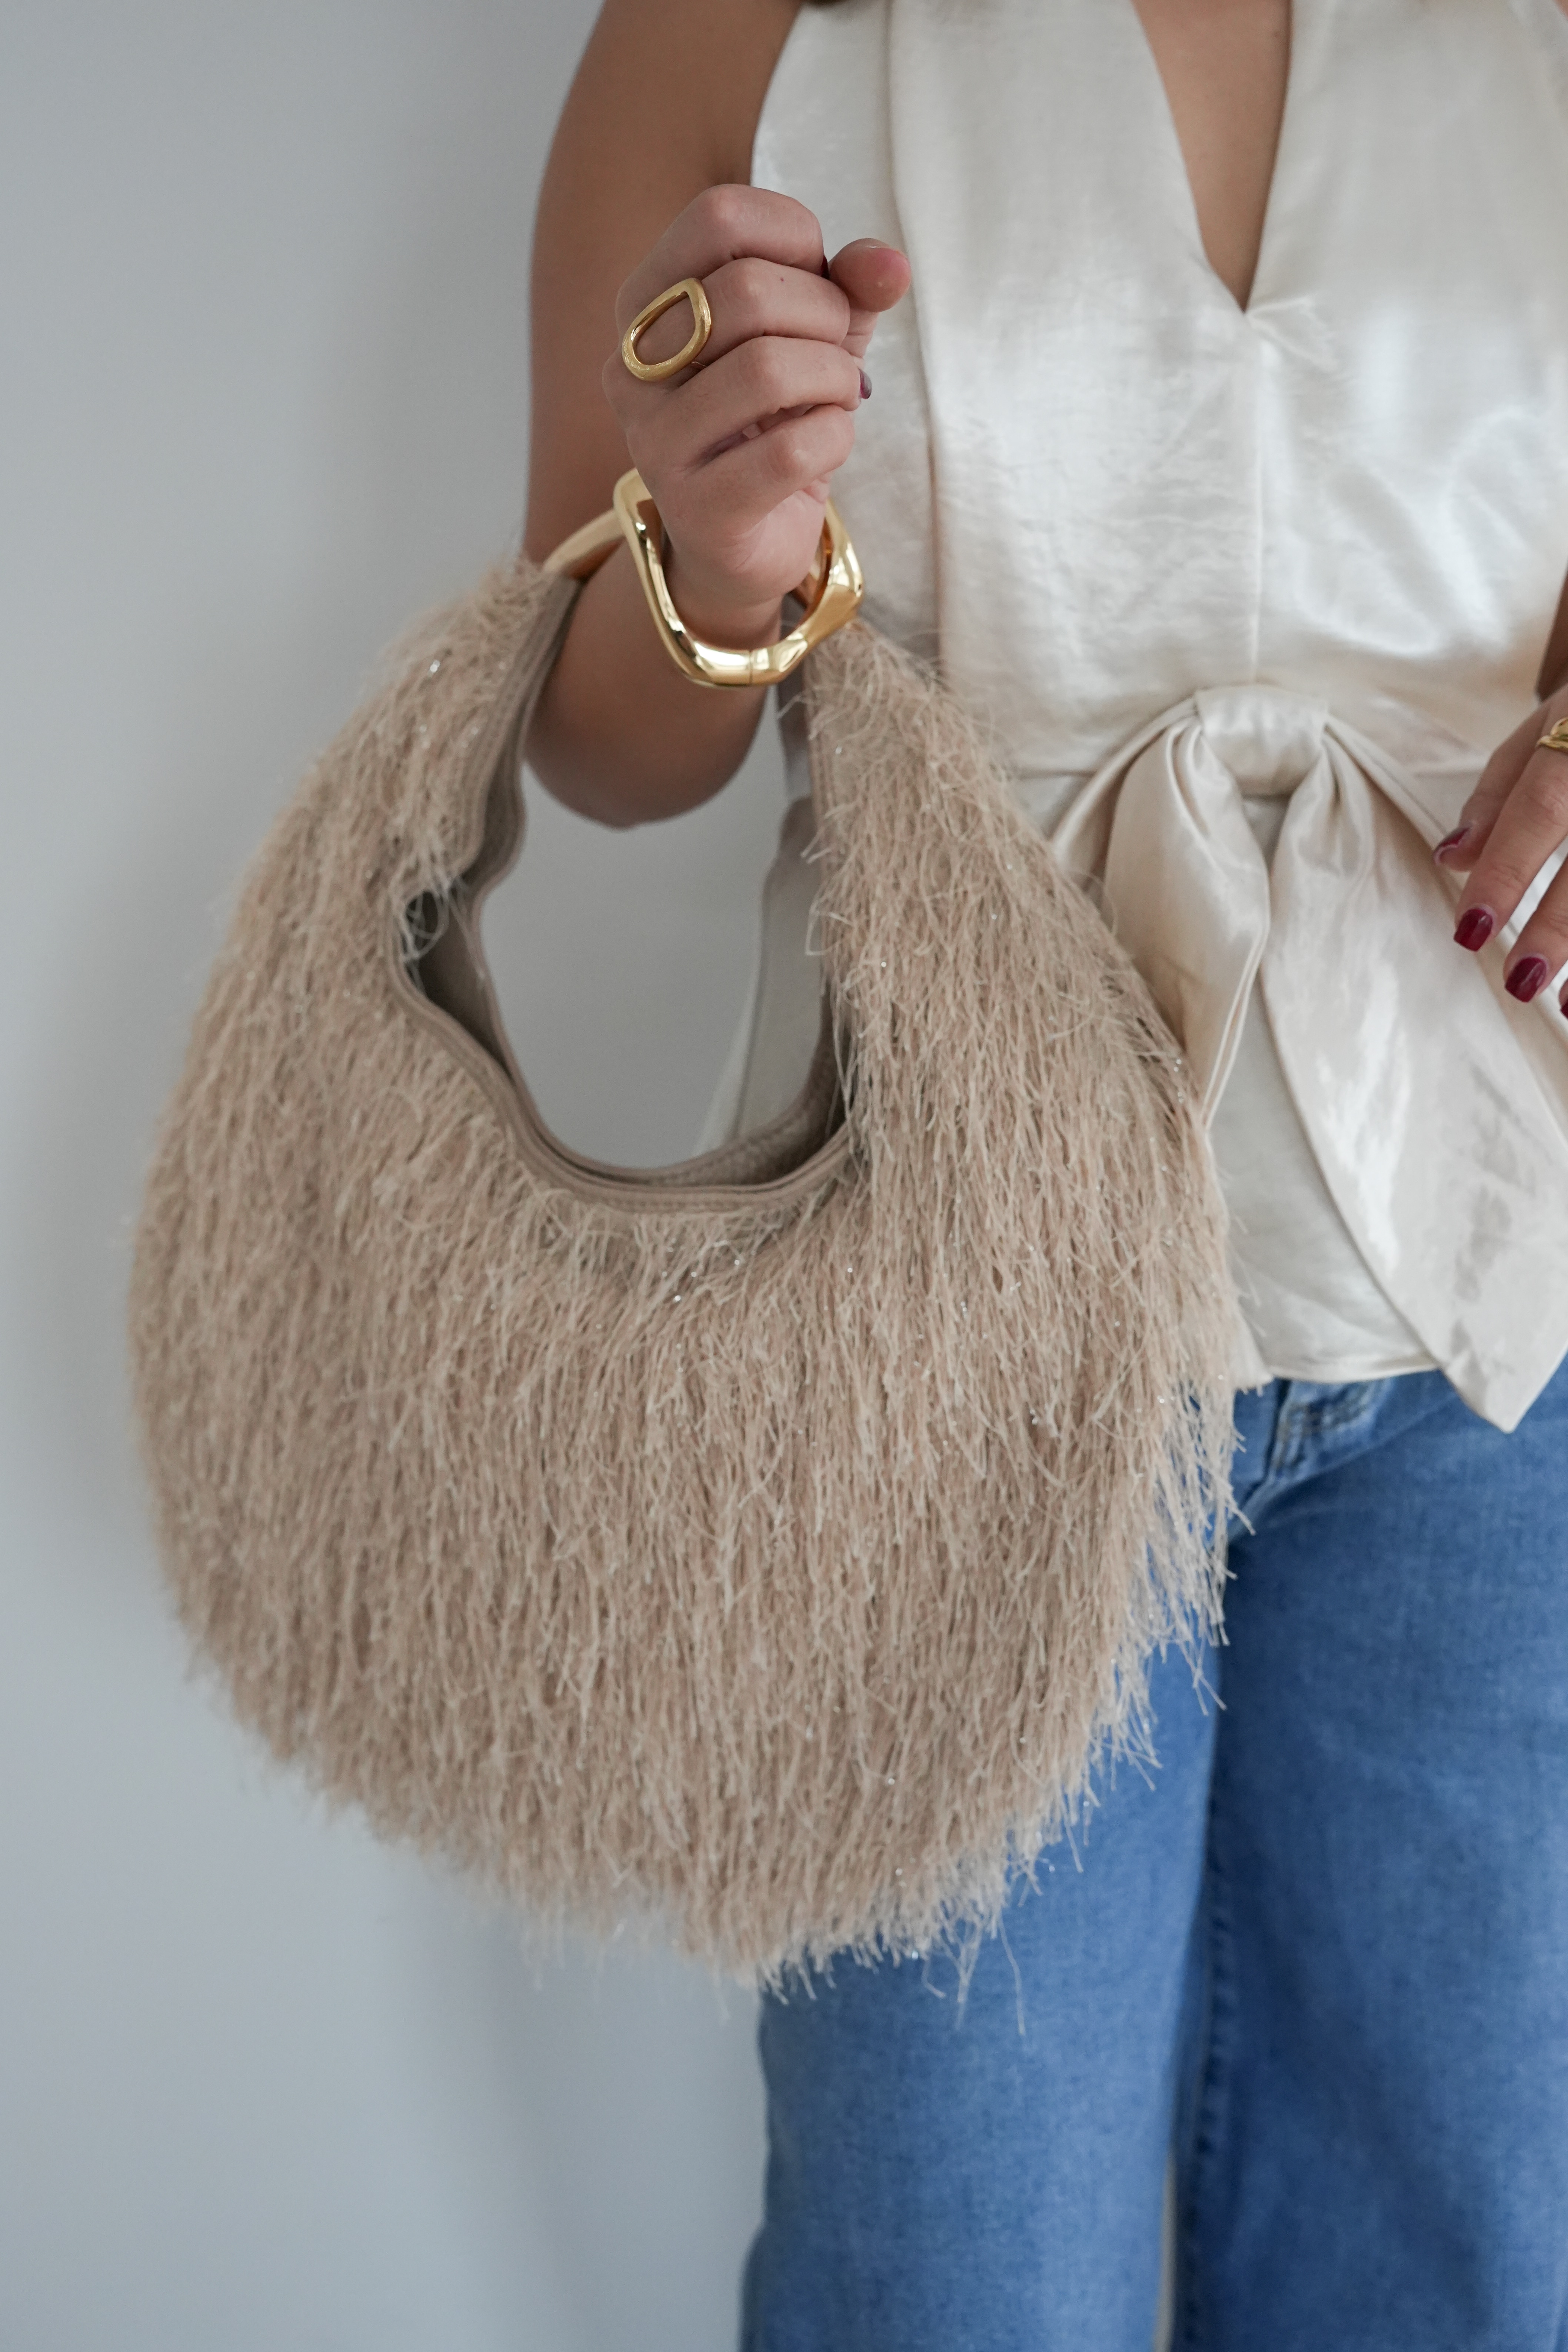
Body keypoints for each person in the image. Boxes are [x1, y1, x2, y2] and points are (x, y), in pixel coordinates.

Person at [523, 1, 1568, 2343]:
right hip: (943, 1314)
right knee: (946, 2279)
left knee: (1472, 2269)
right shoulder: (740, 28)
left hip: (1504, 1313)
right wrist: (717, 545)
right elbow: (596, 748)